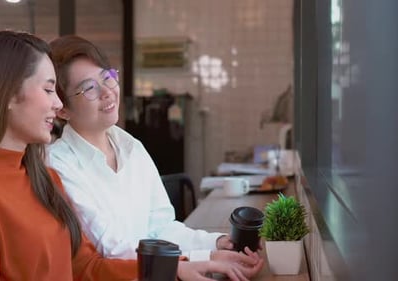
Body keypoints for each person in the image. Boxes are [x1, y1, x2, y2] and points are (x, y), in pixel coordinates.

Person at [0, 30, 261, 281]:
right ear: (6, 94)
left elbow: (85, 267)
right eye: (48, 90)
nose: (57, 104)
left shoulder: (43, 178)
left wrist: (182, 265)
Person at [47, 34, 264, 275]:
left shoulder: (132, 148)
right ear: (63, 109)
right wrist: (204, 259)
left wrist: (216, 243)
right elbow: (111, 250)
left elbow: (161, 228)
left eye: (107, 78)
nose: (107, 92)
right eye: (88, 88)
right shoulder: (58, 164)